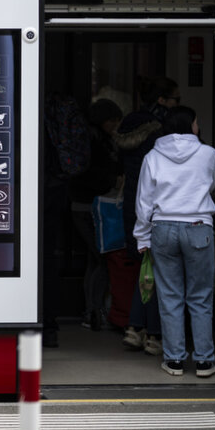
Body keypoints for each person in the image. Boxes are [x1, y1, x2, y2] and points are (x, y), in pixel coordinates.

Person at [134, 105, 215, 378]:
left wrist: (142, 236)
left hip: (163, 227)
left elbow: (144, 201)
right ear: (190, 125)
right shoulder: (208, 154)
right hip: (198, 227)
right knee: (201, 297)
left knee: (170, 297)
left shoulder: (152, 156)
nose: (198, 126)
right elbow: (212, 185)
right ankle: (204, 361)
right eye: (196, 122)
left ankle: (174, 360)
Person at [117, 76, 177, 355]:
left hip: (133, 200)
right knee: (156, 272)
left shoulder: (127, 124)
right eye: (174, 99)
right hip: (158, 204)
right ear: (162, 101)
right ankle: (152, 333)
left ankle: (135, 327)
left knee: (145, 268)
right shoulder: (161, 133)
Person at [69, 98, 123, 331]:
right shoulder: (94, 141)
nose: (114, 126)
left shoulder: (90, 138)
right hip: (89, 205)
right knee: (101, 258)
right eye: (112, 121)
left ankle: (91, 310)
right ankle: (94, 311)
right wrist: (112, 179)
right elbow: (91, 174)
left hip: (82, 205)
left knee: (94, 259)